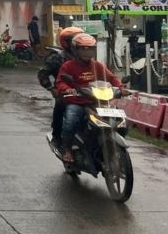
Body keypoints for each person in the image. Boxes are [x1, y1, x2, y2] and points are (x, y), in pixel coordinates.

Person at [56, 33, 126, 163]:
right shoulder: (68, 66)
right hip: (77, 102)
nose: (87, 52)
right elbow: (60, 82)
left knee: (120, 120)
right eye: (83, 49)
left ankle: (107, 145)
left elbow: (111, 78)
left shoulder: (97, 65)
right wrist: (67, 89)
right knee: (71, 121)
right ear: (75, 50)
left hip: (96, 101)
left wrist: (120, 88)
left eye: (90, 49)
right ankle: (68, 150)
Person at [37, 27, 83, 148]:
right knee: (61, 106)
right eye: (75, 40)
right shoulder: (57, 58)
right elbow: (43, 74)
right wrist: (52, 89)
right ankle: (57, 138)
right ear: (67, 42)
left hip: (86, 92)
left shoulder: (85, 56)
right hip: (66, 93)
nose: (79, 43)